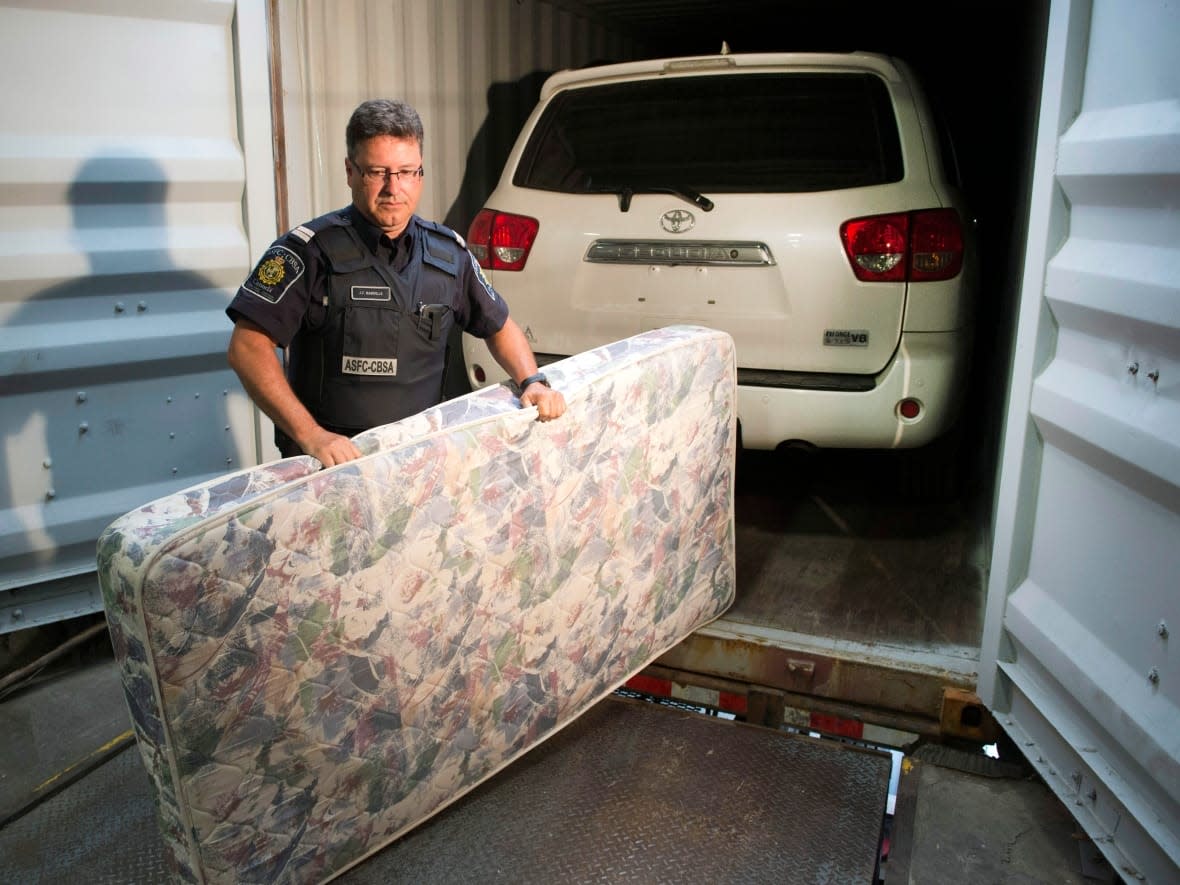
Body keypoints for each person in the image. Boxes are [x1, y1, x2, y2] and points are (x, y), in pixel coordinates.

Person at [226, 98, 565, 467]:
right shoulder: (307, 252)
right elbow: (247, 347)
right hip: (330, 466)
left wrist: (532, 380)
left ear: (420, 173)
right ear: (350, 171)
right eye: (377, 172)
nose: (393, 187)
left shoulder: (449, 255)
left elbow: (498, 325)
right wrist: (313, 436)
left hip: (418, 462)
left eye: (406, 172)